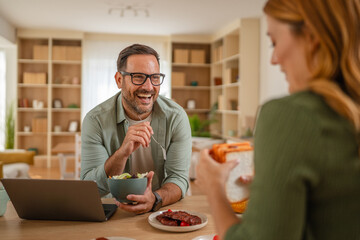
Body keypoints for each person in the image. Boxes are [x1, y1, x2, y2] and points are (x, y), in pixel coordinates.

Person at [196, 0, 360, 239]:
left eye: (274, 42)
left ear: (312, 36)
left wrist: (214, 189)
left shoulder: (291, 116)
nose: (274, 59)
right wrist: (273, 186)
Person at [81, 44, 192, 214]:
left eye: (155, 77)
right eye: (138, 77)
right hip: (113, 210)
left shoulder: (176, 117)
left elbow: (178, 178)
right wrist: (122, 153)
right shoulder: (95, 120)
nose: (148, 87)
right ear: (119, 80)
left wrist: (155, 199)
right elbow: (91, 188)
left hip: (160, 208)